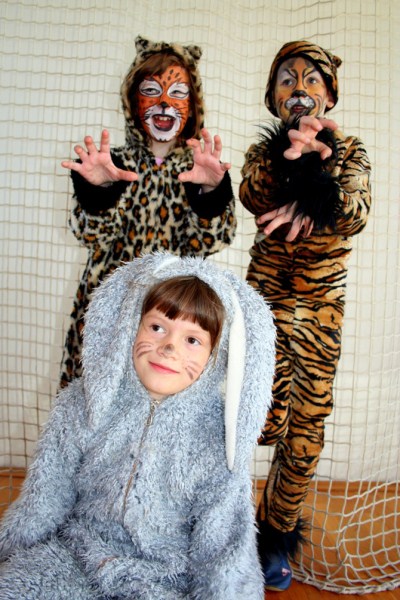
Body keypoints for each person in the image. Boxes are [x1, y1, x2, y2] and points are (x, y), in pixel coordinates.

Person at [0, 252, 276, 600]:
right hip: (73, 558)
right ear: (132, 325)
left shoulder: (218, 439)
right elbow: (45, 498)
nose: (169, 346)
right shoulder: (83, 404)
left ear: (216, 357)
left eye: (192, 340)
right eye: (158, 327)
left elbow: (224, 548)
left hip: (163, 579)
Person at [239, 40, 371, 591]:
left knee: (304, 435)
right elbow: (252, 194)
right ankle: (224, 524)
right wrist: (289, 160)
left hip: (320, 314)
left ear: (329, 97)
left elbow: (354, 213)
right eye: (288, 79)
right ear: (273, 98)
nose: (300, 89)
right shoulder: (262, 152)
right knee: (253, 421)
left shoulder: (352, 151)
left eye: (312, 79)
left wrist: (318, 175)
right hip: (264, 305)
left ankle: (274, 537)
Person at [59, 35, 236, 388]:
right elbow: (88, 233)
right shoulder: (114, 163)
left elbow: (214, 240)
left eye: (178, 93)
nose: (165, 103)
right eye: (151, 91)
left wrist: (211, 193)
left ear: (193, 106)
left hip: (173, 318)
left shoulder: (199, 168)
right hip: (110, 314)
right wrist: (98, 193)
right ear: (132, 101)